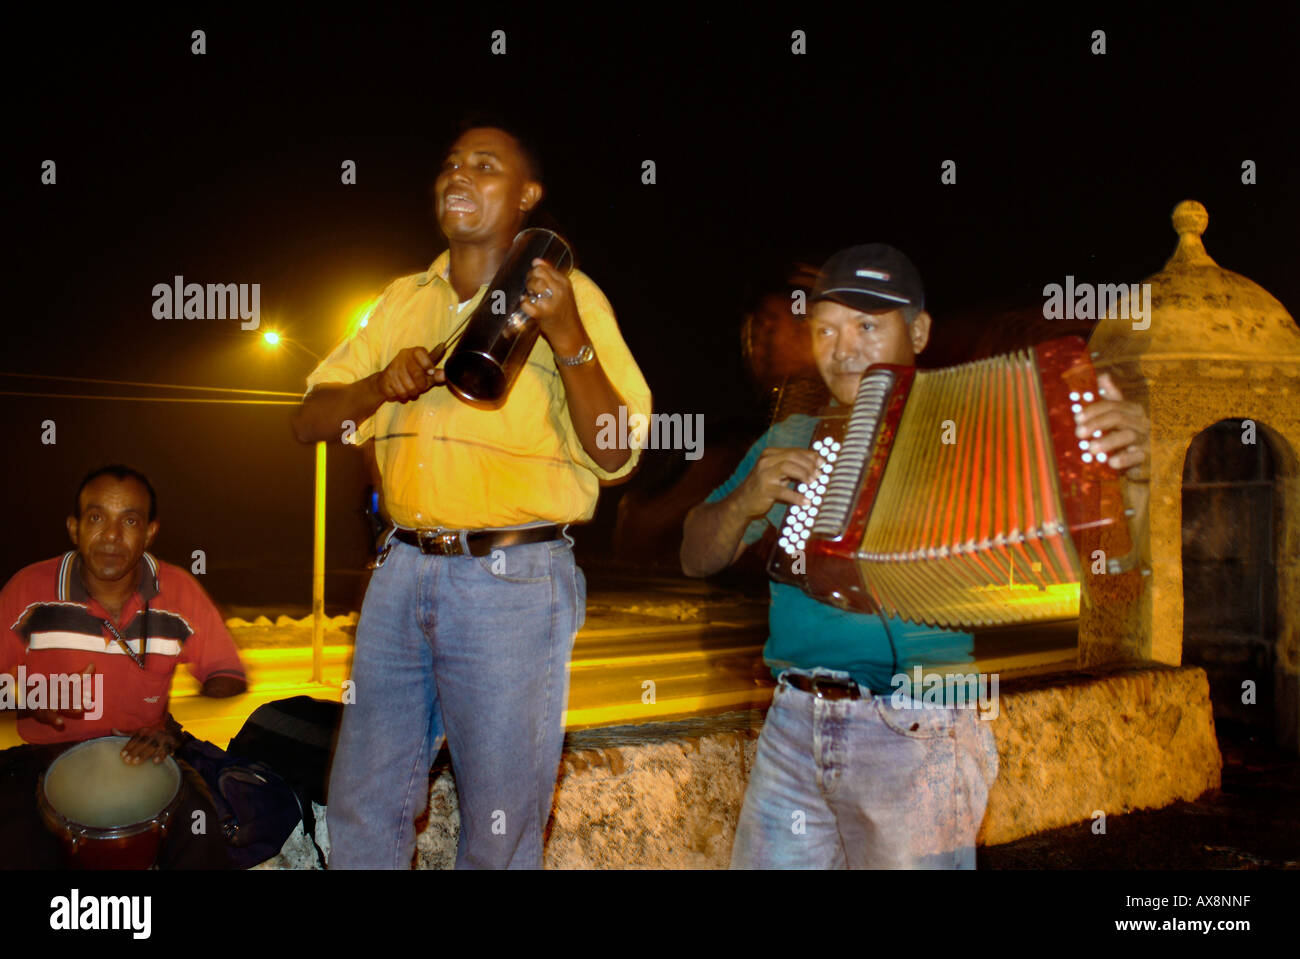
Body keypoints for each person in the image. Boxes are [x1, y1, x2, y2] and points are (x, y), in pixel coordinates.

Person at [681, 244, 1150, 868]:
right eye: (825, 329)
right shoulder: (791, 439)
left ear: (920, 331)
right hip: (792, 726)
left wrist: (1134, 480)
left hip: (920, 730)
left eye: (867, 326)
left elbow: (1110, 567)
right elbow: (695, 556)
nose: (843, 349)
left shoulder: (983, 430)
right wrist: (742, 501)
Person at [291, 118, 652, 869]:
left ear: (528, 195)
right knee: (365, 802)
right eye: (450, 164)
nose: (459, 176)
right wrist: (373, 383)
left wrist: (566, 336)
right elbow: (308, 419)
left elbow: (616, 449)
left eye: (486, 167)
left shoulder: (570, 294)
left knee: (498, 822)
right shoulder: (399, 301)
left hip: (511, 579)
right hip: (399, 573)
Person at [0, 464, 248, 868]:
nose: (112, 536)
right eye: (97, 518)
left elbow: (227, 674)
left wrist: (168, 728)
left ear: (150, 532)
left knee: (203, 836)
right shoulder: (28, 590)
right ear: (74, 528)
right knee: (15, 843)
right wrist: (27, 698)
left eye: (129, 520)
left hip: (142, 753)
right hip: (42, 758)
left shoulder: (179, 590)